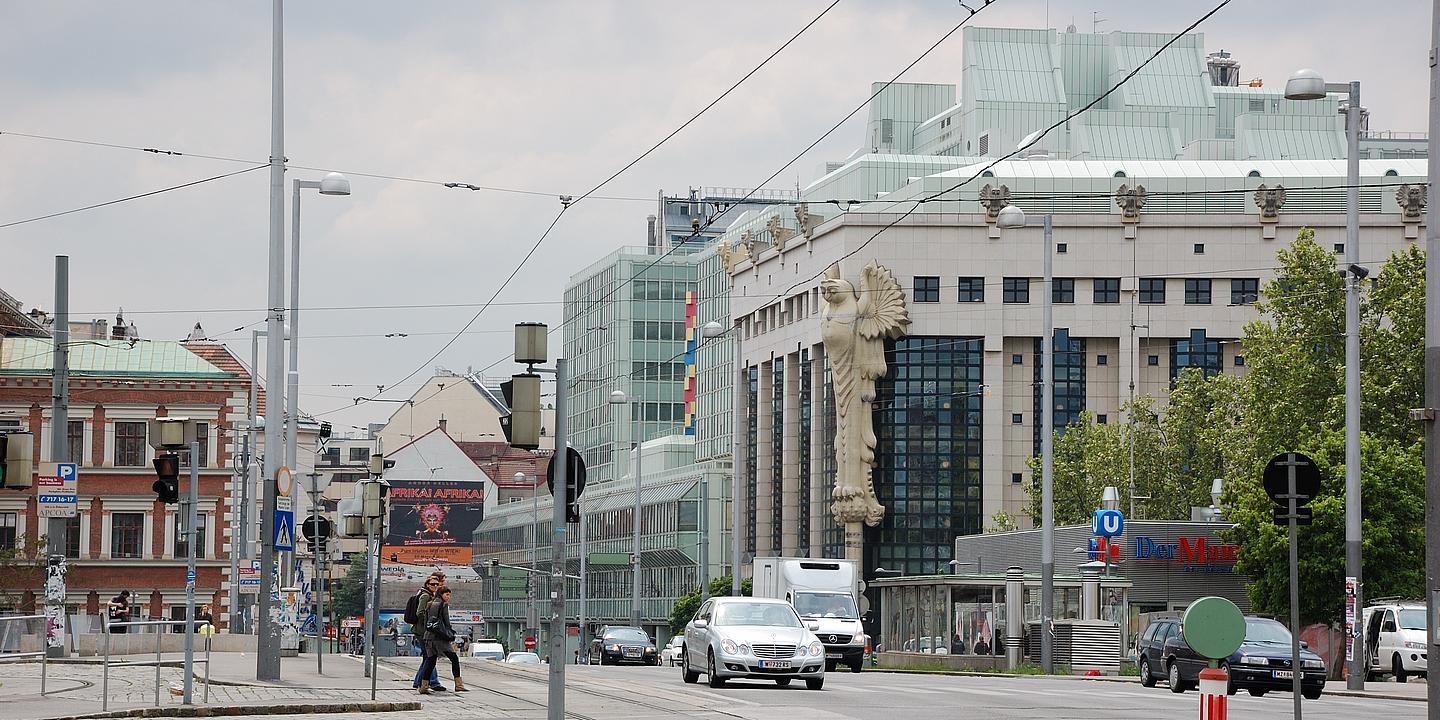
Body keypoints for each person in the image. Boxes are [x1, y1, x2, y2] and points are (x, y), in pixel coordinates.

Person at [417, 586, 466, 694]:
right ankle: (458, 684)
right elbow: (446, 621)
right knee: (454, 659)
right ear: (441, 594)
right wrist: (450, 634)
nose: (448, 597)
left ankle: (424, 686)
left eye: (449, 594)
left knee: (430, 661)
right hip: (439, 638)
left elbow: (426, 621)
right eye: (447, 594)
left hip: (428, 637)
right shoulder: (443, 605)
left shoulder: (429, 604)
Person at [411, 574, 447, 692]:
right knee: (430, 657)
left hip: (425, 631)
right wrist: (429, 623)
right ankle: (432, 682)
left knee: (428, 657)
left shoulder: (431, 595)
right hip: (423, 631)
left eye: (437, 584)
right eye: (433, 584)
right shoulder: (425, 595)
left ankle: (419, 681)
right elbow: (420, 612)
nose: (436, 586)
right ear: (427, 584)